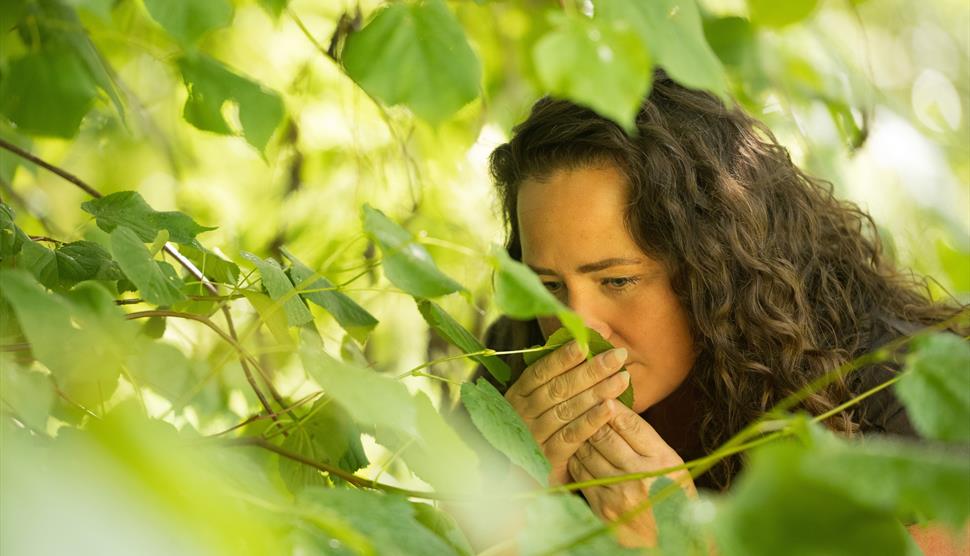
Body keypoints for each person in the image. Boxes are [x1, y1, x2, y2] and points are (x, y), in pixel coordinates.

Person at [475, 71, 967, 548]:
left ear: (713, 267)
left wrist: (696, 546)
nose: (577, 329)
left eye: (617, 280)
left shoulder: (892, 391)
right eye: (548, 285)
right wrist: (514, 493)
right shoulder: (513, 364)